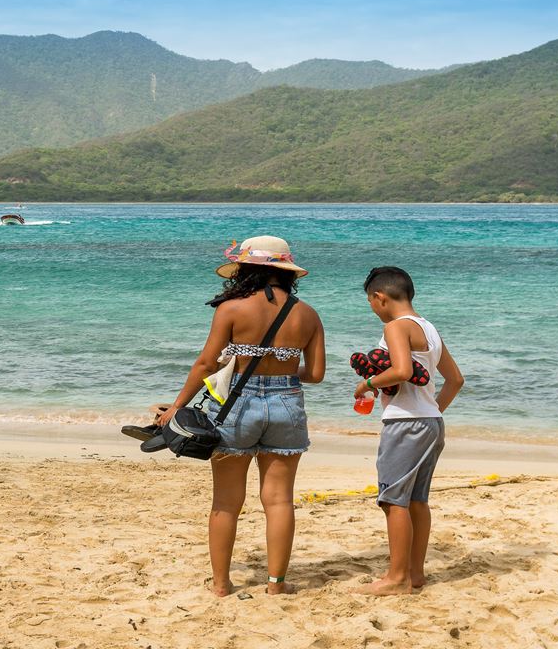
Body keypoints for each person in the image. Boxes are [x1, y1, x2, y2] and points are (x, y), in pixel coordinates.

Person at [156, 236, 326, 597]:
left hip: (237, 405)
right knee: (279, 500)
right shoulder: (308, 314)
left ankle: (221, 585)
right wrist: (279, 373)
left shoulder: (232, 309)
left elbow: (205, 363)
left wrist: (176, 406)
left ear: (246, 269)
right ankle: (276, 585)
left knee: (226, 502)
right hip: (287, 405)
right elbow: (315, 374)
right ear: (285, 272)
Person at [352, 266, 464, 595]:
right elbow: (455, 380)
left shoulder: (396, 327)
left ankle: (396, 578)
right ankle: (415, 574)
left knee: (392, 500)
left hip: (404, 423)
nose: (372, 308)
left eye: (371, 302)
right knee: (417, 500)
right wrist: (430, 411)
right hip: (430, 423)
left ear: (380, 297)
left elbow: (400, 371)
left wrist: (367, 383)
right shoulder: (428, 329)